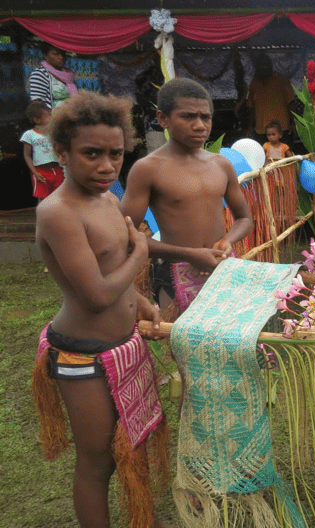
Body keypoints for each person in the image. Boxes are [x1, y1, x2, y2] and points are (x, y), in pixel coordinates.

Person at [32, 91, 169, 528]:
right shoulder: (58, 212)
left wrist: (143, 302)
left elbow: (115, 271)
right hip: (82, 355)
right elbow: (95, 295)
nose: (107, 166)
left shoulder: (108, 200)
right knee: (97, 462)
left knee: (129, 446)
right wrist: (142, 252)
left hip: (123, 344)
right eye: (91, 154)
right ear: (61, 152)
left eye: (115, 154)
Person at [121, 78, 254, 315]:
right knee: (183, 346)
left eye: (205, 117)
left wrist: (227, 242)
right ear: (163, 118)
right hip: (174, 273)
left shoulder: (221, 165)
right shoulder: (148, 169)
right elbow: (124, 236)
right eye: (188, 116)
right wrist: (190, 255)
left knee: (225, 343)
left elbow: (244, 218)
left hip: (220, 266)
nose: (200, 125)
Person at [245, 53, 296, 141]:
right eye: (261, 65)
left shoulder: (282, 80)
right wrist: (250, 127)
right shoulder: (254, 82)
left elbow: (291, 103)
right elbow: (252, 107)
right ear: (257, 67)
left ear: (271, 65)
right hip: (261, 130)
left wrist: (294, 125)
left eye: (266, 65)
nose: (264, 67)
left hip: (282, 129)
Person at [20, 100, 64, 201]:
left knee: (59, 198)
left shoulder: (53, 132)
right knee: (44, 200)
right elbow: (27, 155)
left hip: (57, 170)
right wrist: (35, 172)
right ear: (37, 120)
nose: (51, 118)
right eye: (48, 116)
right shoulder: (29, 134)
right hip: (41, 172)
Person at [28, 42, 76, 110]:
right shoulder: (39, 74)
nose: (61, 57)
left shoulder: (68, 74)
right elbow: (38, 105)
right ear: (45, 55)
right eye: (56, 54)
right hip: (53, 118)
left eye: (63, 53)